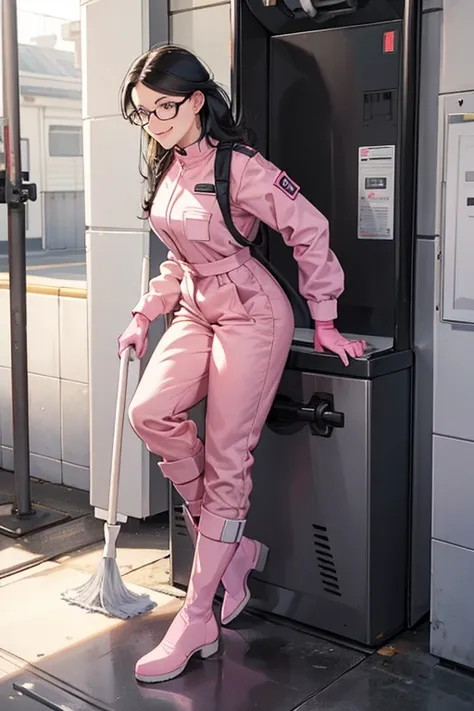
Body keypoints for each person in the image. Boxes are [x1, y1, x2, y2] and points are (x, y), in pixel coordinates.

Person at [118, 44, 366, 684]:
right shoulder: (168, 168)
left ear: (198, 100)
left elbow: (308, 229)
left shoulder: (244, 168)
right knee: (150, 412)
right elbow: (178, 256)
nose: (155, 123)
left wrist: (327, 318)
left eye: (165, 108)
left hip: (254, 313)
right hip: (196, 308)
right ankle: (232, 549)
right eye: (144, 113)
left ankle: (197, 617)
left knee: (228, 456)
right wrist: (146, 314)